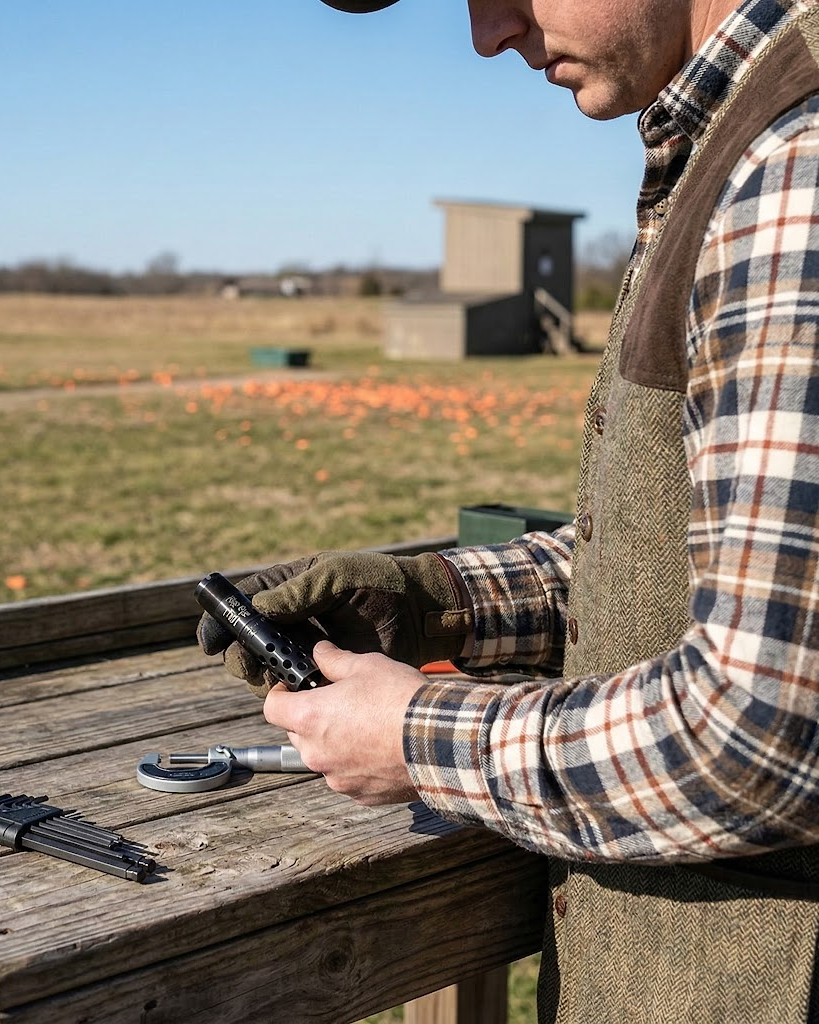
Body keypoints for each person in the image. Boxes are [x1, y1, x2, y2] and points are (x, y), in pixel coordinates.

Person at [198, 0, 819, 1020]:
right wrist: (430, 599)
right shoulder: (740, 138)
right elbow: (689, 548)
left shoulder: (792, 166)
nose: (489, 33)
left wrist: (419, 738)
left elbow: (763, 740)